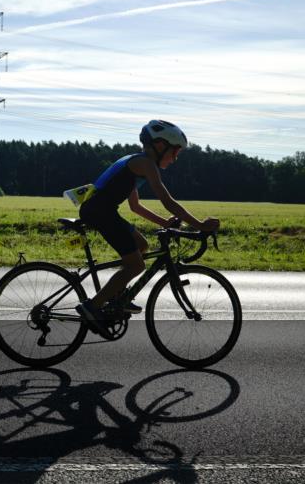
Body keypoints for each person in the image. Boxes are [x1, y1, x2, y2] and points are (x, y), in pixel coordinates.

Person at [74, 120, 219, 337]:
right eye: (175, 151)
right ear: (160, 146)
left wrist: (165, 224)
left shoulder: (136, 164)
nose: (175, 158)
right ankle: (92, 307)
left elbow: (135, 206)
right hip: (99, 212)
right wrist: (198, 225)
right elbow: (167, 200)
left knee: (142, 245)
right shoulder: (145, 164)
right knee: (136, 265)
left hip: (103, 210)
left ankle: (117, 299)